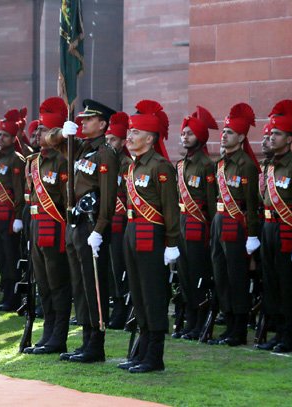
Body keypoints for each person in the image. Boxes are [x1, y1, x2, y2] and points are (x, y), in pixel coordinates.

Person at [52, 99, 118, 363]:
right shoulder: (81, 149)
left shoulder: (105, 153)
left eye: (88, 120)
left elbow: (109, 196)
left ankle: (96, 343)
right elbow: (51, 142)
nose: (82, 123)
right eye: (81, 120)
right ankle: (85, 338)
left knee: (94, 286)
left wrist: (100, 228)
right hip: (76, 223)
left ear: (102, 124)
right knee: (79, 285)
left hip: (92, 226)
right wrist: (60, 133)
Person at [117, 100, 180, 373]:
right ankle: (140, 350)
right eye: (129, 131)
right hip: (133, 232)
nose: (129, 136)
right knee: (138, 293)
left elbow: (169, 208)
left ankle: (154, 356)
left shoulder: (160, 166)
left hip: (152, 235)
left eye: (135, 132)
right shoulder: (133, 166)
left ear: (150, 138)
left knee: (153, 294)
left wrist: (172, 243)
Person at [257, 100, 292, 353]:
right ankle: (276, 332)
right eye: (270, 133)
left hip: (287, 231)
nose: (271, 138)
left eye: (277, 134)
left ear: (290, 139)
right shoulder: (269, 166)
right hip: (268, 228)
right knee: (271, 284)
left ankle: (288, 336)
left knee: (287, 286)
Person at [209, 103, 261, 347]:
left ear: (241, 137)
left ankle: (238, 328)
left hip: (236, 225)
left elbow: (251, 203)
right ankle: (228, 323)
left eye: (230, 132)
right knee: (221, 276)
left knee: (236, 277)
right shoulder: (221, 164)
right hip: (220, 223)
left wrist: (252, 234)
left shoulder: (246, 165)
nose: (225, 135)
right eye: (224, 131)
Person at [22, 97, 71, 354]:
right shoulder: (33, 161)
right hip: (37, 229)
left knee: (58, 285)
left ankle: (58, 336)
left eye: (42, 129)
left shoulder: (63, 161)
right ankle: (47, 332)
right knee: (43, 285)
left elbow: (66, 201)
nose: (37, 133)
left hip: (56, 231)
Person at [174, 105, 218, 340]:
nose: (185, 136)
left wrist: (211, 233)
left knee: (198, 277)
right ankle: (189, 322)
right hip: (181, 226)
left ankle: (200, 322)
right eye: (183, 133)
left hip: (198, 227)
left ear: (200, 137)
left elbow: (211, 204)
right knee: (184, 277)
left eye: (189, 133)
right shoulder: (180, 166)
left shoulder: (207, 166)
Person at [0, 109, 26, 311]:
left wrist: (18, 217)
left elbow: (19, 192)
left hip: (10, 215)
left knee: (11, 257)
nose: (0, 138)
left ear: (13, 138)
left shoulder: (16, 160)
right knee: (1, 256)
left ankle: (13, 298)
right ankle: (5, 296)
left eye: (5, 135)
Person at [105, 112, 132, 329]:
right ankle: (112, 307)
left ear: (123, 142)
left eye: (112, 139)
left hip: (121, 224)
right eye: (107, 139)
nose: (108, 143)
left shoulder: (125, 163)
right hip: (107, 222)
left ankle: (122, 310)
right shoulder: (106, 160)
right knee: (108, 268)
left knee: (119, 268)